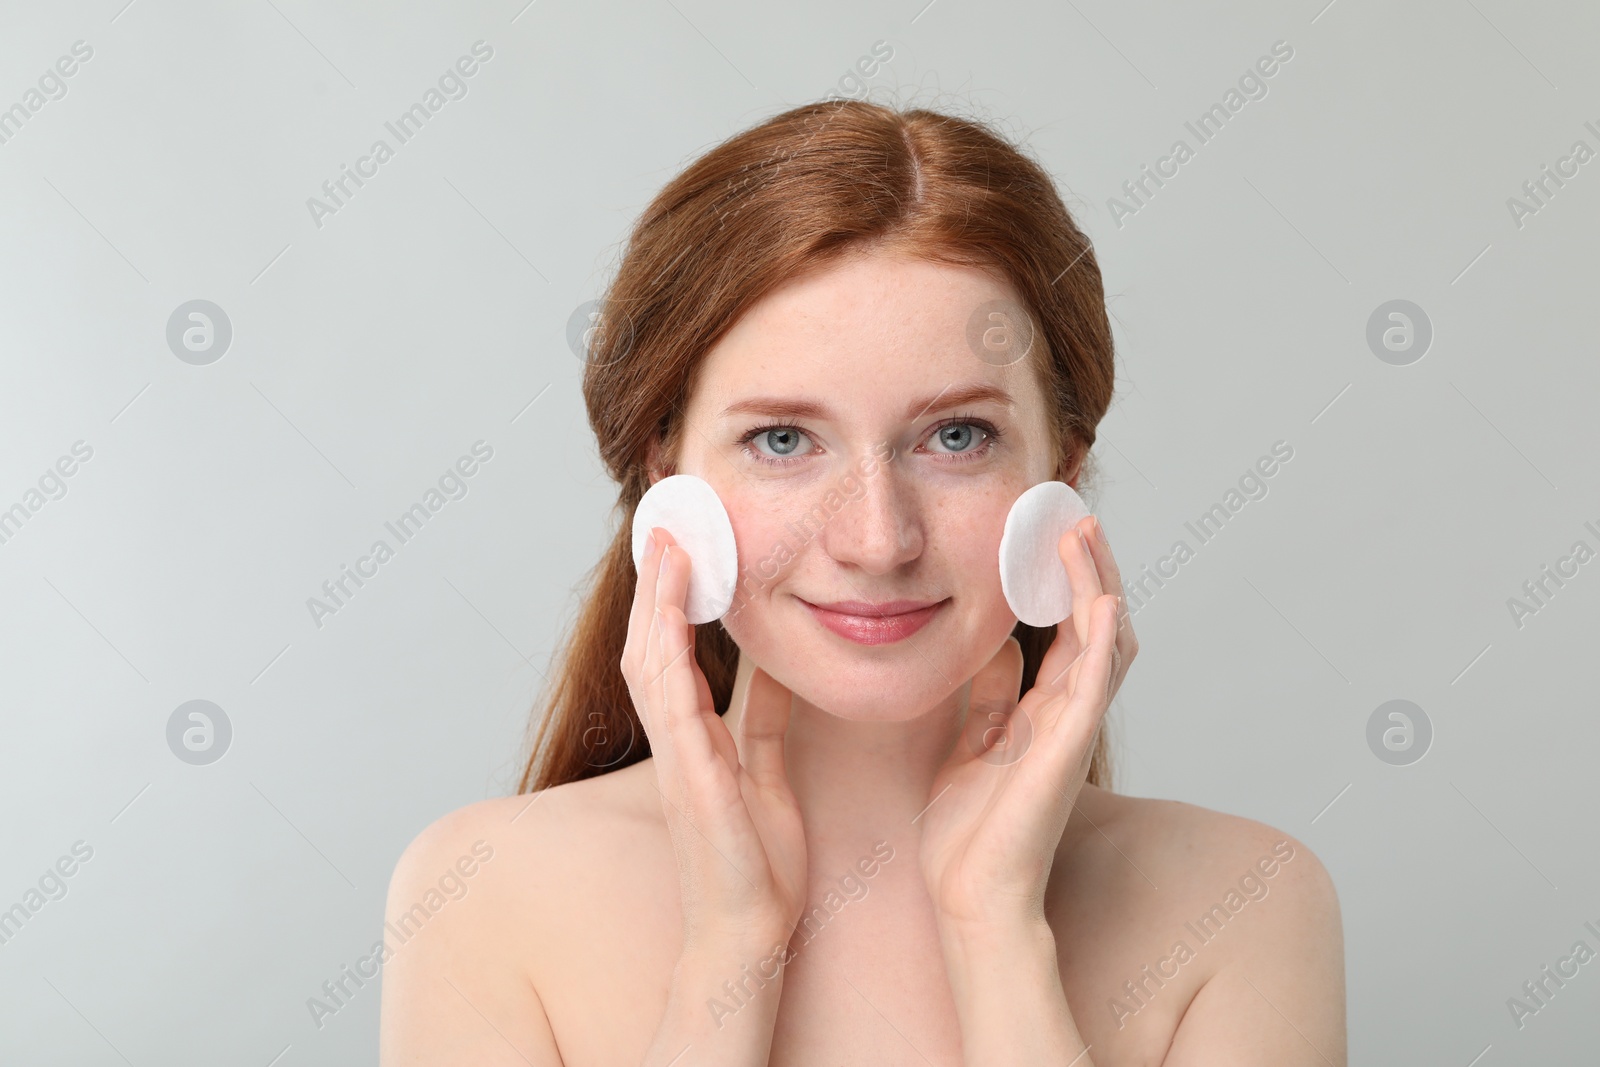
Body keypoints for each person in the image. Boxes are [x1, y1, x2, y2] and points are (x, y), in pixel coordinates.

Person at [379, 98, 1346, 1065]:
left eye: (957, 436)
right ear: (663, 479)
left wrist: (996, 935)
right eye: (783, 440)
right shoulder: (481, 894)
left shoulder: (1244, 904)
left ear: (1065, 472)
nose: (878, 539)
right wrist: (729, 957)